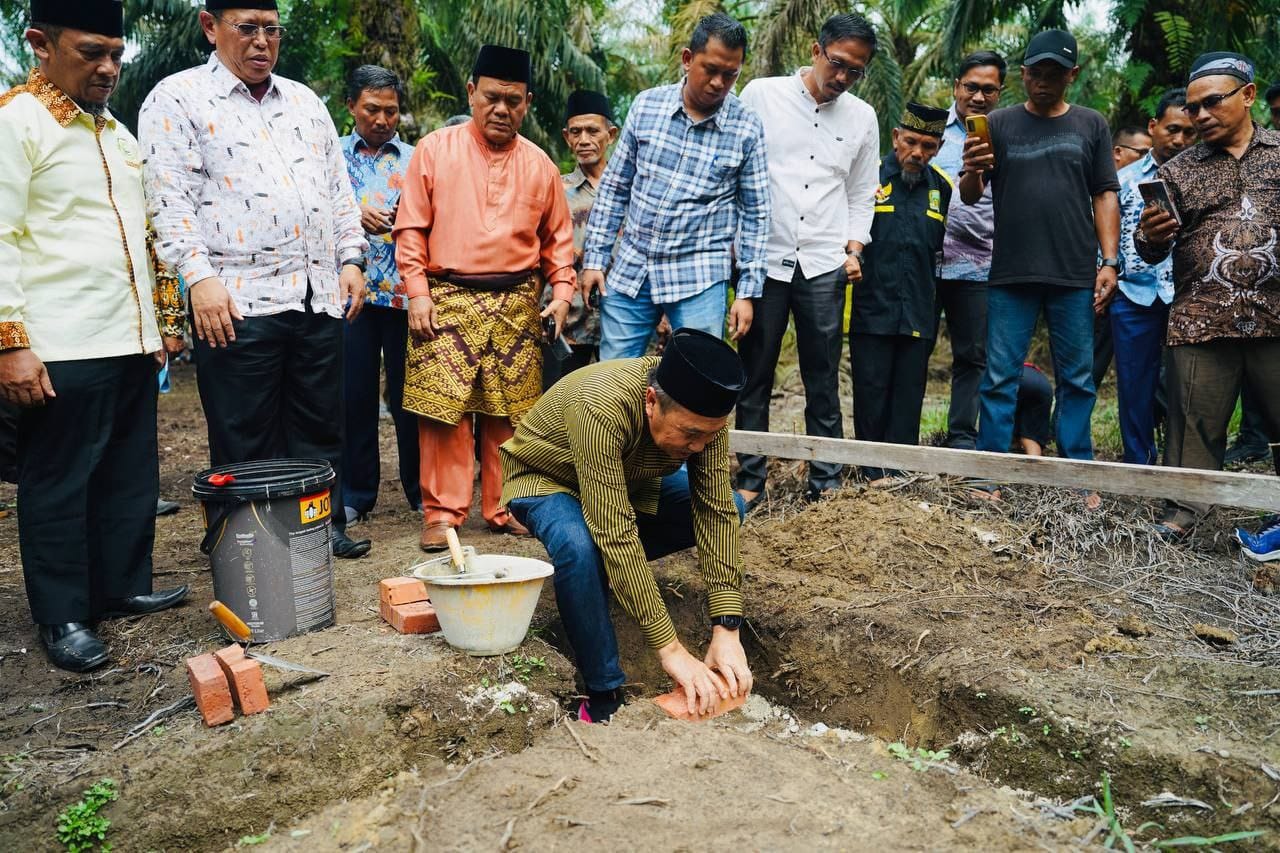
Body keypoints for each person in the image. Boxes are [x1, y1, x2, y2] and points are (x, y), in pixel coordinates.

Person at [140, 0, 371, 558]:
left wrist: (351, 259)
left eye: (271, 30)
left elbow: (337, 191)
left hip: (316, 294)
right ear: (210, 26)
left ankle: (320, 528)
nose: (261, 42)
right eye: (247, 28)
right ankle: (249, 541)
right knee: (246, 430)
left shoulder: (305, 101)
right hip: (237, 299)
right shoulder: (177, 98)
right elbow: (169, 200)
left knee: (319, 425)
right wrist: (198, 277)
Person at [0, 1, 189, 672]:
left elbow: (146, 238)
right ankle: (63, 614)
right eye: (91, 52)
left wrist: (163, 325)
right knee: (58, 480)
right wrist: (10, 342)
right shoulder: (16, 124)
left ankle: (118, 585)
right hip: (60, 344)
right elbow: (1, 239)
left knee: (127, 473)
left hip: (128, 339)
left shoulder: (116, 133)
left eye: (116, 53)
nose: (108, 67)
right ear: (39, 44)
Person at [500, 328, 752, 723]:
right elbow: (616, 534)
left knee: (733, 506)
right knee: (580, 547)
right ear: (651, 401)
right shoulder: (600, 406)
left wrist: (727, 627)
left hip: (630, 481)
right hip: (548, 479)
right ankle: (602, 695)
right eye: (690, 434)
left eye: (710, 435)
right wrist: (671, 650)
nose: (699, 447)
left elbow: (715, 510)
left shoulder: (702, 421)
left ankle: (598, 574)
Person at [393, 45, 573, 551]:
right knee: (442, 415)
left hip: (517, 302)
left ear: (528, 102)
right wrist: (418, 293)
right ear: (472, 93)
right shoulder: (433, 149)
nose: (502, 109)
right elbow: (410, 229)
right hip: (445, 298)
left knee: (511, 416)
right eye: (492, 97)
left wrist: (560, 295)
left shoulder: (541, 165)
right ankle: (443, 514)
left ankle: (505, 507)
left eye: (513, 101)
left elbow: (558, 242)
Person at [961, 29, 1121, 507]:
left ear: (1072, 75)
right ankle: (989, 473)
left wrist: (1109, 261)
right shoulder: (999, 123)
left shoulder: (1091, 125)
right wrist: (971, 167)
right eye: (1035, 72)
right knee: (999, 376)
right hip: (1011, 273)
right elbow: (971, 194)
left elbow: (1104, 193)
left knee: (1077, 378)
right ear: (1023, 74)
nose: (1043, 82)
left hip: (1074, 272)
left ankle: (1076, 474)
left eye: (1055, 73)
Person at [1135, 52, 1280, 552]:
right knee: (1193, 420)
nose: (1198, 116)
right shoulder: (1179, 170)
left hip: (1276, 316)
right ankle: (1182, 514)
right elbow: (1149, 249)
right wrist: (1149, 235)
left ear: (1248, 95)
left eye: (1211, 103)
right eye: (1193, 108)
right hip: (1201, 317)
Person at [732, 13, 879, 507]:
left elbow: (861, 195)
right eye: (837, 64)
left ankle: (826, 480)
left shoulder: (862, 117)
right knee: (754, 374)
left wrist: (854, 248)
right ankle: (750, 478)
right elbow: (735, 172)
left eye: (854, 71)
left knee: (823, 375)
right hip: (764, 260)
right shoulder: (760, 95)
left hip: (823, 261)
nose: (842, 77)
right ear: (817, 50)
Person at [580, 13, 769, 355]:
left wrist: (746, 293)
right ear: (687, 59)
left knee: (695, 382)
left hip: (699, 275)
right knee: (613, 380)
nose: (718, 83)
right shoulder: (646, 106)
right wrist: (595, 259)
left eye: (730, 74)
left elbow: (756, 215)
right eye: (710, 69)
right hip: (633, 268)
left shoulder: (747, 128)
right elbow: (615, 189)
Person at [850, 103, 952, 486]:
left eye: (928, 145)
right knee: (871, 391)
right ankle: (870, 473)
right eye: (910, 142)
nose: (917, 153)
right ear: (896, 138)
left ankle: (900, 472)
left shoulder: (941, 187)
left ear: (938, 147)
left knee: (910, 395)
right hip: (871, 308)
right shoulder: (869, 179)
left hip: (918, 311)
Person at [338, 65, 420, 526]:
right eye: (372, 109)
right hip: (353, 297)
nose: (382, 119)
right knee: (355, 396)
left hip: (407, 296)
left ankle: (420, 491)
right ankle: (356, 493)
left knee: (412, 398)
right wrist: (353, 211)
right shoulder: (330, 156)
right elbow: (315, 210)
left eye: (391, 111)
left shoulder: (416, 158)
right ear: (351, 106)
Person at [1111, 89, 1196, 465]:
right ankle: (1139, 464)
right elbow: (1105, 233)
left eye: (1190, 132)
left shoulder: (1202, 179)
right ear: (1154, 126)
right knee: (1134, 385)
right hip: (1134, 294)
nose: (1180, 140)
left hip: (1189, 297)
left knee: (1190, 386)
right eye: (1173, 129)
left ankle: (1183, 465)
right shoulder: (1124, 180)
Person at [934, 50, 1006, 450]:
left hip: (979, 265)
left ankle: (962, 437)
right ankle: (903, 438)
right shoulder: (930, 128)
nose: (979, 97)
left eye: (989, 90)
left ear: (1000, 92)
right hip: (926, 262)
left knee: (972, 356)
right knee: (915, 351)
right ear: (957, 87)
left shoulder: (1006, 133)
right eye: (971, 87)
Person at [544, 90, 618, 390]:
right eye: (576, 132)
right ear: (566, 137)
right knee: (556, 407)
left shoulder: (630, 189)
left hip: (620, 323)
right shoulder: (556, 190)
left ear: (610, 135)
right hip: (568, 322)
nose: (584, 139)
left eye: (593, 131)